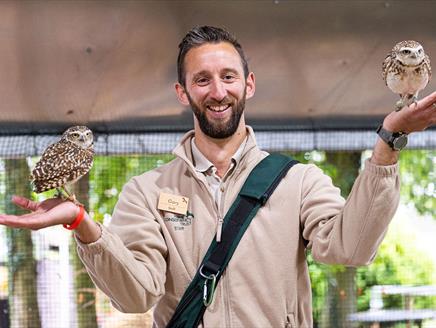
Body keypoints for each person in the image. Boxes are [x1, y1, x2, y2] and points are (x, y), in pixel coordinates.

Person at [1, 26, 435, 327]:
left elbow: (351, 248)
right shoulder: (148, 192)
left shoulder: (299, 181)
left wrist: (387, 144)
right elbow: (136, 296)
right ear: (182, 92)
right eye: (202, 79)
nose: (217, 91)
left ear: (248, 85)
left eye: (228, 77)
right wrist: (83, 223)